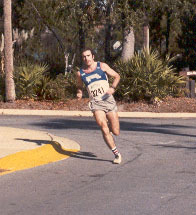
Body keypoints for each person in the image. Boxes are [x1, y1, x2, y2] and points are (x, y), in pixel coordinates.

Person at [76, 48, 121, 164]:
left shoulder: (102, 66)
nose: (86, 58)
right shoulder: (80, 73)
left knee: (116, 131)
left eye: (88, 55)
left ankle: (110, 131)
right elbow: (79, 86)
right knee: (103, 126)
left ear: (93, 56)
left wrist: (112, 88)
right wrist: (79, 93)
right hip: (96, 103)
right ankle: (116, 155)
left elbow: (117, 76)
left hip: (108, 100)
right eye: (84, 57)